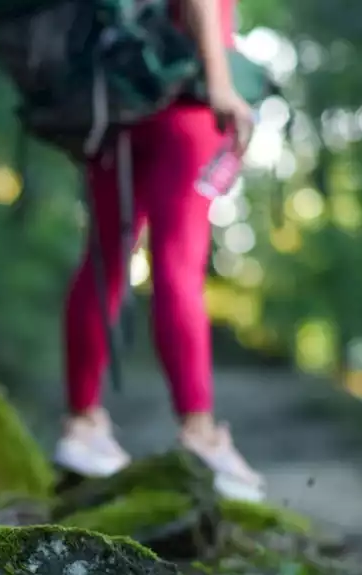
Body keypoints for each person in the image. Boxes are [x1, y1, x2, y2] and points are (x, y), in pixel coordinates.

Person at [53, 0, 267, 502]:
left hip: (117, 105)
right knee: (177, 265)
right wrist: (219, 81)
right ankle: (199, 434)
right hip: (183, 99)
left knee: (103, 257)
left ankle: (83, 425)